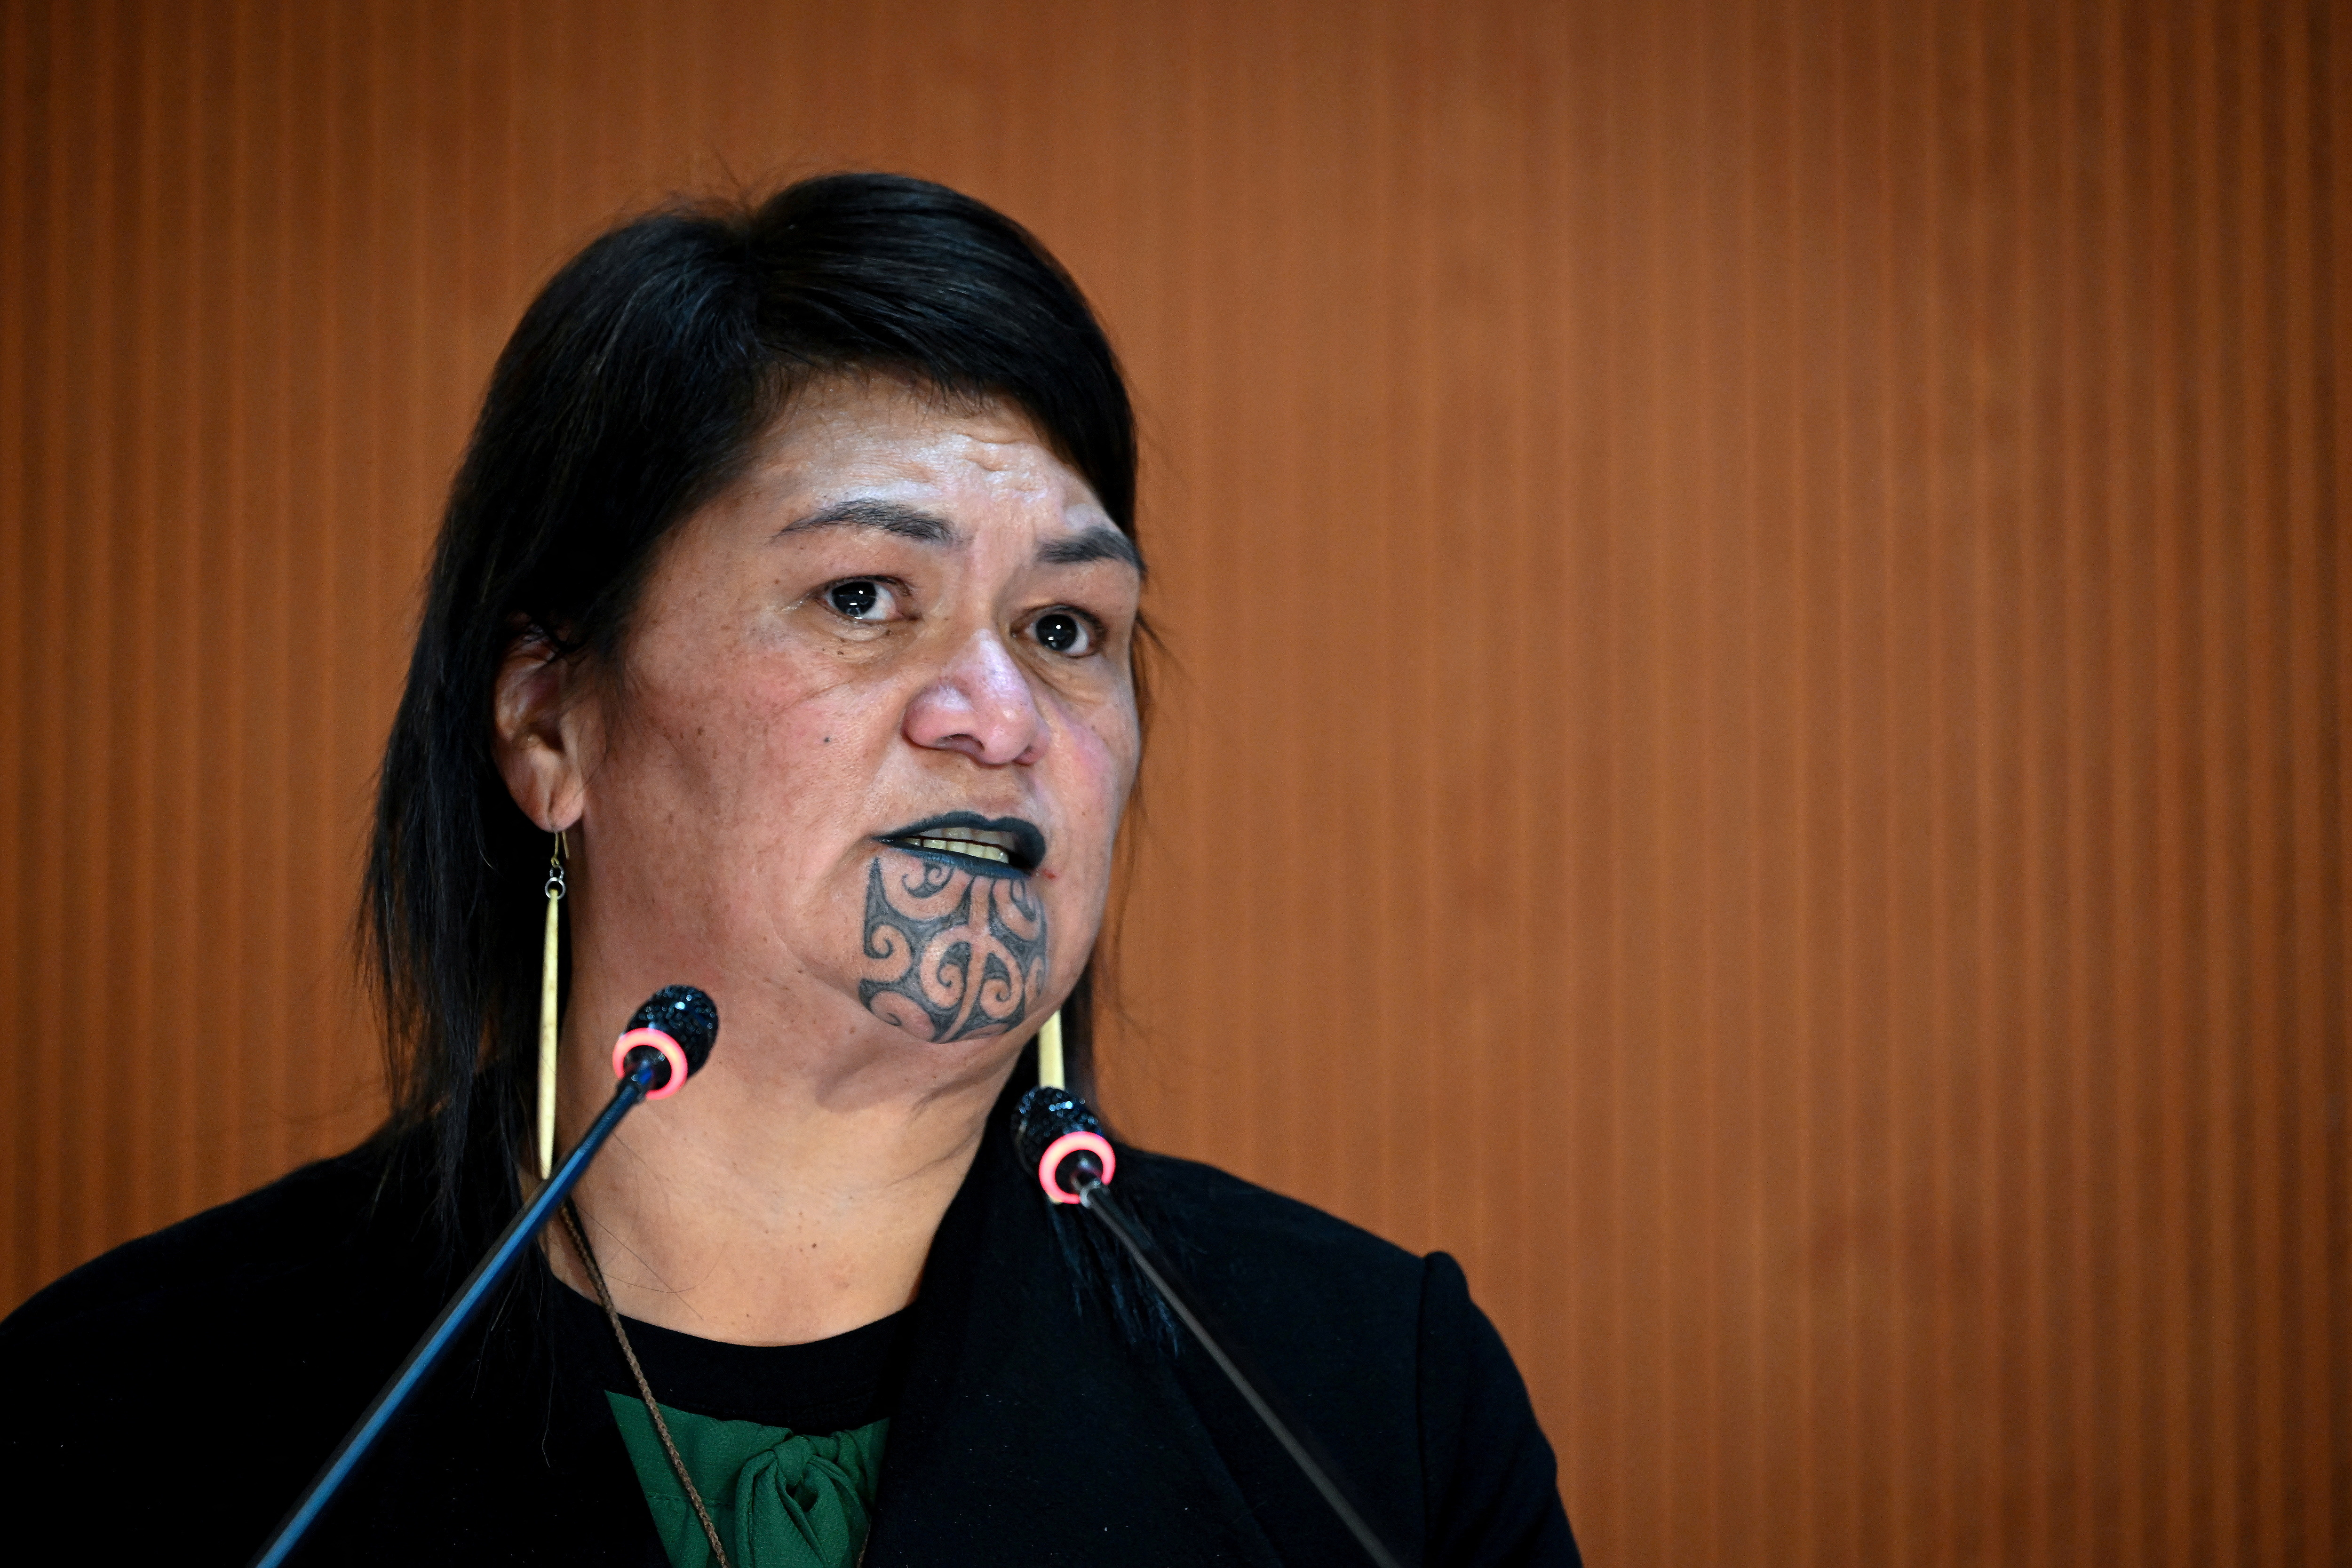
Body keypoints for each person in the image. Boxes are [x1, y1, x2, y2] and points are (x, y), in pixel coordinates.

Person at [0, 174, 1578, 1567]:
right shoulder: (124, 1415)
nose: (1001, 717)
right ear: (552, 722)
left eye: (1064, 627)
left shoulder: (1372, 1403)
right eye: (862, 598)